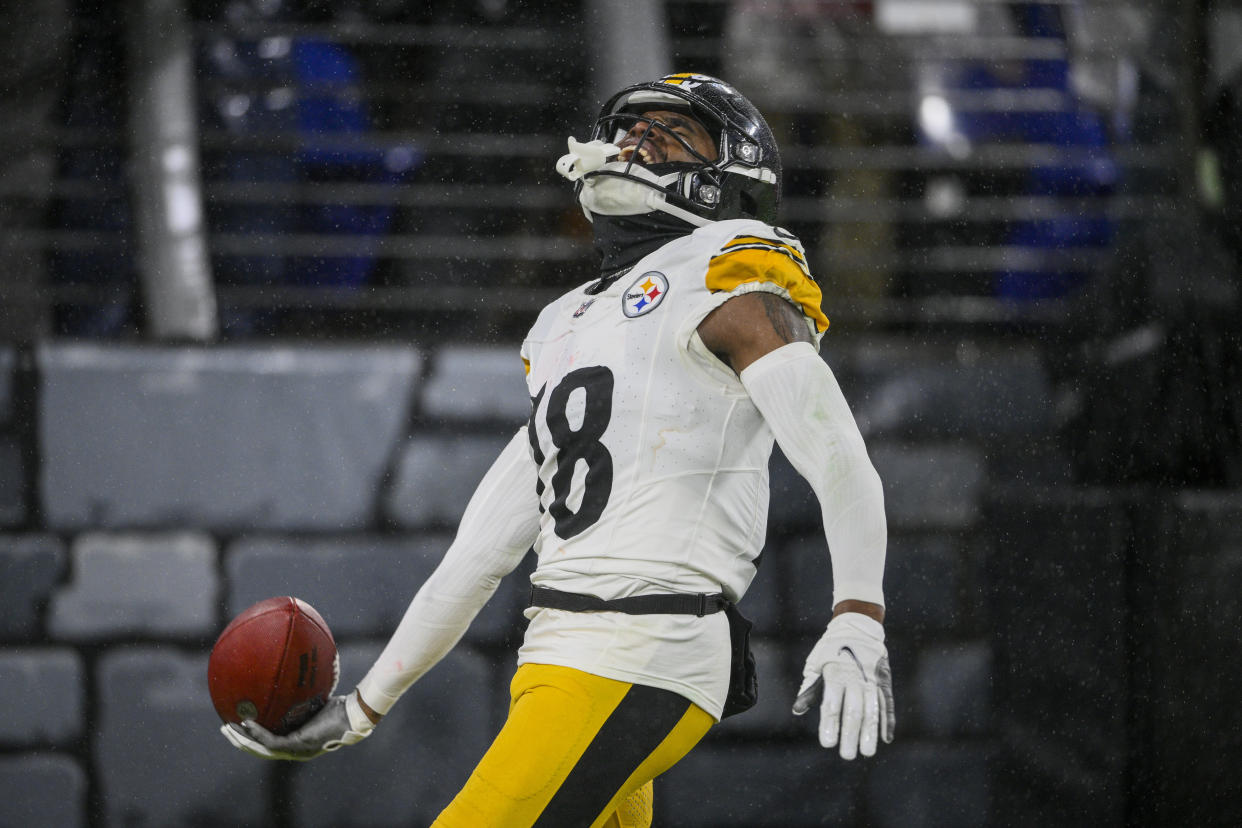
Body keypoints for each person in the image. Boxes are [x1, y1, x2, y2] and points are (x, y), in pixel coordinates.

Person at [223, 72, 895, 827]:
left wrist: (858, 613)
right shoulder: (569, 321)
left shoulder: (729, 271)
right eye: (633, 127)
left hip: (645, 644)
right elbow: (477, 556)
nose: (639, 141)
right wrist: (362, 709)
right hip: (559, 653)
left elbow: (837, 454)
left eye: (674, 132)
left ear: (730, 174)